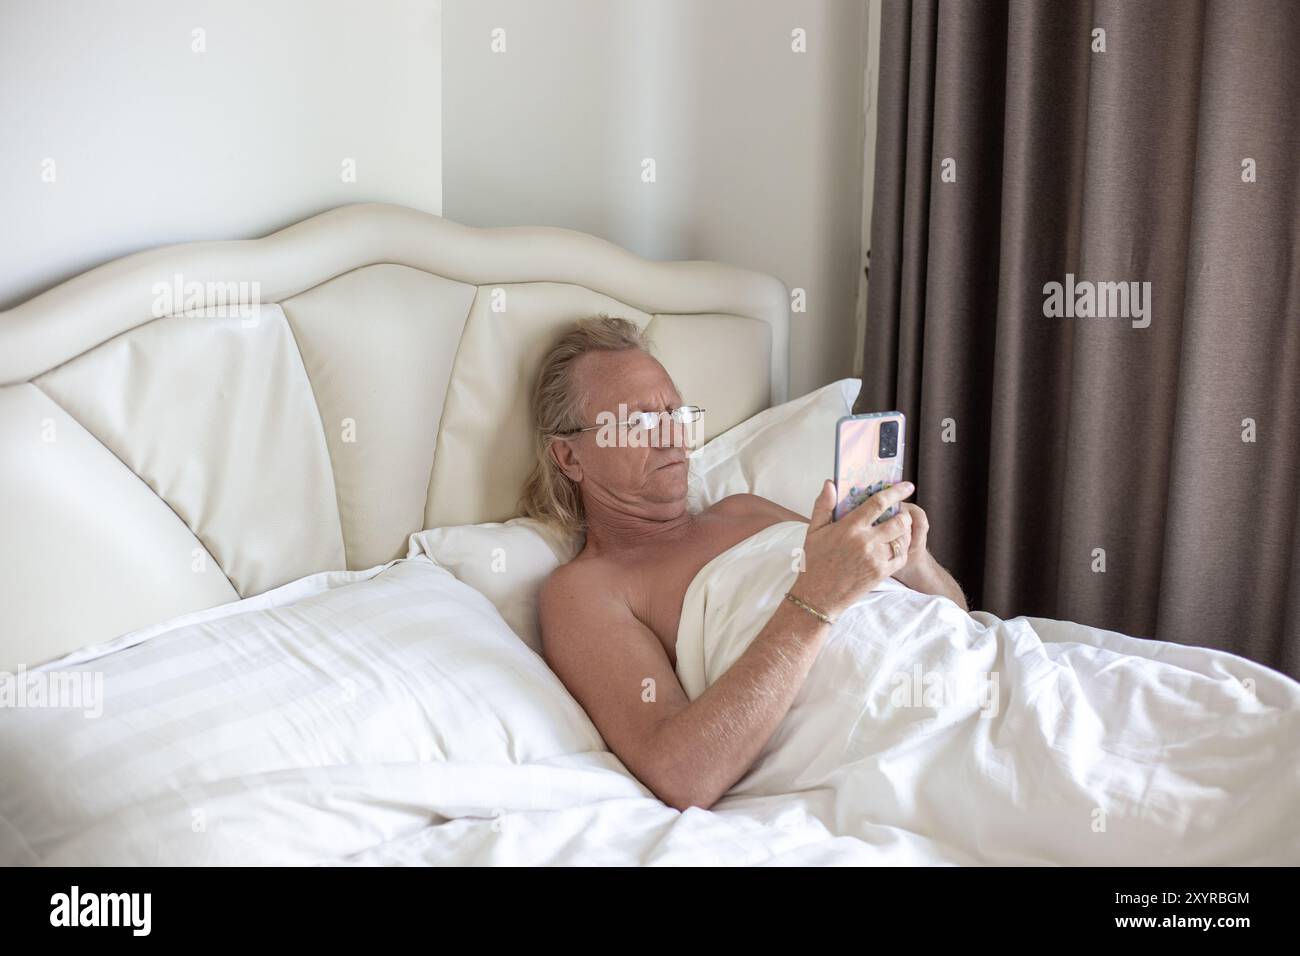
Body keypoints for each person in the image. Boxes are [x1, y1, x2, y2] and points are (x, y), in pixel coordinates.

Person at [522, 316, 967, 811]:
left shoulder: (746, 509)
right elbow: (681, 774)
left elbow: (955, 620)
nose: (673, 437)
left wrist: (914, 562)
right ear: (569, 457)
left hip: (979, 674)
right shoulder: (585, 590)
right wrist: (815, 600)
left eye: (678, 413)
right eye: (639, 422)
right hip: (909, 738)